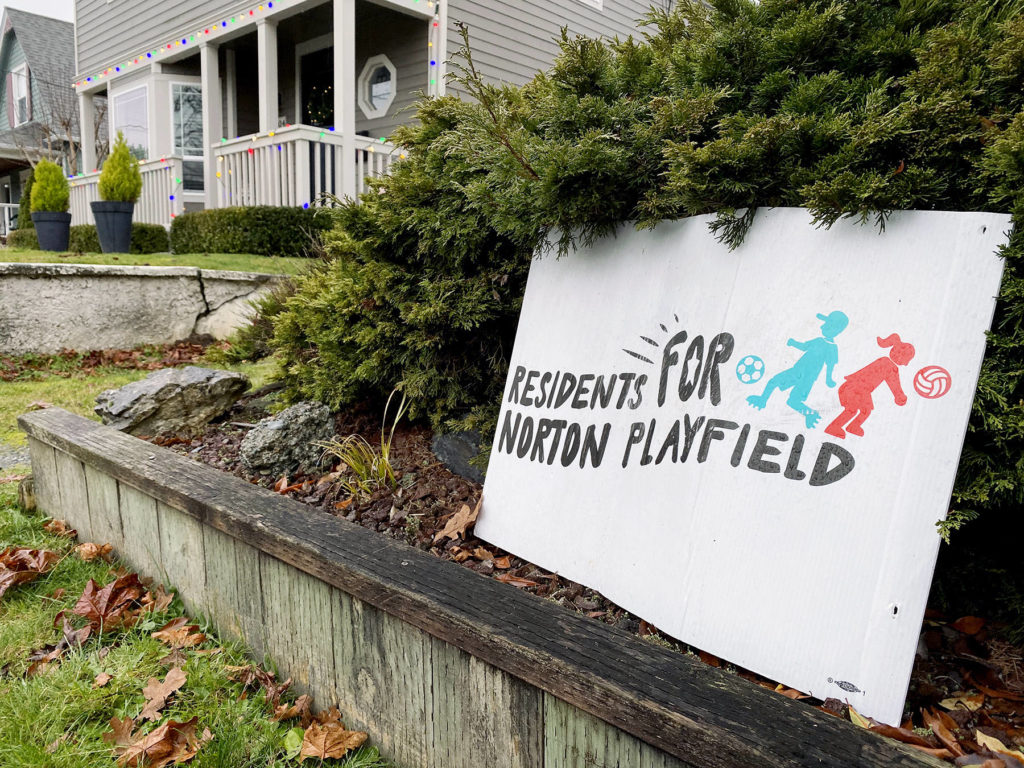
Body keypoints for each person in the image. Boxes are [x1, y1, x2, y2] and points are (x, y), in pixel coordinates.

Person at [747, 310, 849, 428]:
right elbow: (804, 346)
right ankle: (762, 400)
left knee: (793, 401)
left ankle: (811, 414)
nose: (822, 326)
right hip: (796, 371)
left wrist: (829, 379)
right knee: (773, 381)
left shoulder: (832, 348)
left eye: (827, 325)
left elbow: (830, 364)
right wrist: (794, 343)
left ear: (836, 330)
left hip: (808, 378)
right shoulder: (818, 340)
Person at [824, 333, 915, 439]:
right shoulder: (890, 367)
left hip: (851, 386)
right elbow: (894, 384)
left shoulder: (884, 360)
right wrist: (899, 396)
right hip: (858, 389)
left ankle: (849, 426)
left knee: (857, 410)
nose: (906, 364)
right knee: (860, 410)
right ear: (902, 357)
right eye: (907, 360)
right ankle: (841, 427)